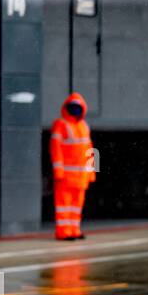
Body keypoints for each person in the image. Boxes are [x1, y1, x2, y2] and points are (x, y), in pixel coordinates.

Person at [50, 92, 95, 240]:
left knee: (76, 206)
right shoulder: (60, 125)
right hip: (66, 176)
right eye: (72, 107)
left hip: (81, 176)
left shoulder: (84, 126)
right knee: (64, 205)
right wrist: (58, 171)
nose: (75, 110)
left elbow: (90, 149)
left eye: (78, 107)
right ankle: (63, 231)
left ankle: (75, 229)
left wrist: (92, 172)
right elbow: (55, 149)